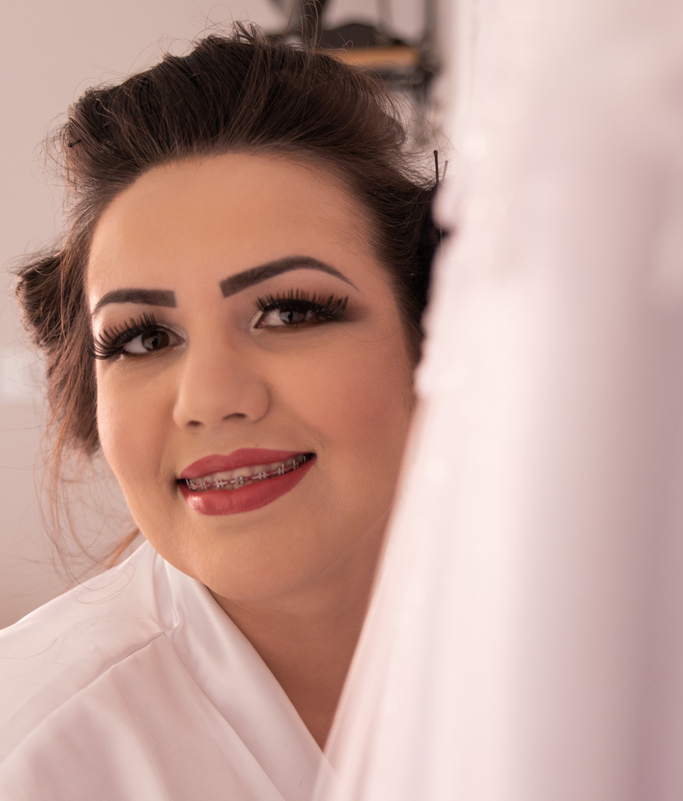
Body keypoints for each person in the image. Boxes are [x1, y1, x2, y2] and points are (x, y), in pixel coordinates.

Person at [0, 25, 437, 800]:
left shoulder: (600, 646)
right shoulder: (30, 754)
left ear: (429, 339)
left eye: (290, 312)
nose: (208, 399)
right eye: (144, 338)